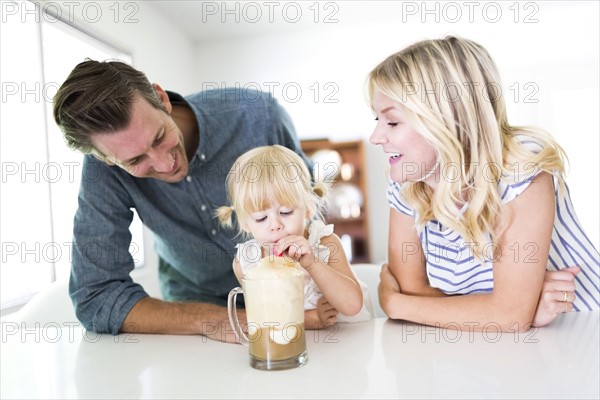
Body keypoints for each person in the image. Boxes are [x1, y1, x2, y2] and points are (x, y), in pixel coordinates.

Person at [52, 59, 310, 341]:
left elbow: (312, 210)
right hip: (192, 311)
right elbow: (96, 296)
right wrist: (210, 320)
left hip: (290, 299)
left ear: (161, 99)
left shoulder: (259, 116)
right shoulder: (102, 169)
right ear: (105, 159)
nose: (165, 165)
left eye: (160, 136)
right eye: (136, 160)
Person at [368, 36, 599, 331]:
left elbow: (507, 316)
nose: (375, 137)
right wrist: (506, 311)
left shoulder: (519, 167)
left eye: (392, 122)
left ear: (447, 119)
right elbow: (415, 292)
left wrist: (393, 304)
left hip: (579, 335)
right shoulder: (407, 185)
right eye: (377, 119)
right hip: (493, 349)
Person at [216, 145, 373, 328]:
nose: (275, 225)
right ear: (244, 222)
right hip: (301, 348)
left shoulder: (325, 244)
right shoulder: (247, 263)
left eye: (286, 212)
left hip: (353, 339)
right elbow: (265, 317)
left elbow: (352, 305)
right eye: (261, 218)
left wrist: (312, 263)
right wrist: (311, 319)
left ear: (308, 208)